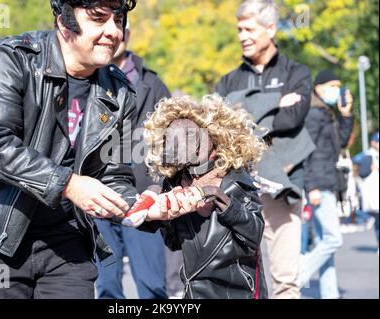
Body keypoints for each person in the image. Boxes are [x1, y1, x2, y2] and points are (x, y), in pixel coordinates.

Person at [0, 0, 140, 299]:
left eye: (118, 20)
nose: (113, 31)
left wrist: (145, 207)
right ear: (64, 22)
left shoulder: (119, 91)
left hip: (68, 242)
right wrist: (67, 184)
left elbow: (114, 175)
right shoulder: (13, 59)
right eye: (99, 19)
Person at [215, 0, 314, 298]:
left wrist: (244, 108)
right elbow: (221, 126)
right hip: (239, 191)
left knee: (284, 281)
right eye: (238, 30)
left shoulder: (297, 73)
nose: (242, 36)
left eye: (248, 29)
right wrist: (273, 103)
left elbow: (293, 118)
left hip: (283, 187)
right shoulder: (228, 80)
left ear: (271, 28)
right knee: (241, 279)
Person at [140, 94, 269, 299]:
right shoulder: (175, 183)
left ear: (214, 141)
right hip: (194, 294)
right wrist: (158, 211)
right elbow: (174, 243)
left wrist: (222, 200)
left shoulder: (235, 181)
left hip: (237, 292)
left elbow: (254, 235)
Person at [94, 23, 170, 299]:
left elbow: (170, 143)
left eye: (121, 27)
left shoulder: (152, 83)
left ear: (128, 34)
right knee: (107, 287)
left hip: (143, 198)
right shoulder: (88, 79)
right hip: (100, 198)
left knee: (152, 287)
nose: (114, 34)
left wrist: (157, 185)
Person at [297, 69, 354, 299]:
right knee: (333, 239)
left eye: (339, 85)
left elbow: (339, 142)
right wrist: (311, 187)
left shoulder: (324, 112)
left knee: (324, 243)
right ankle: (298, 276)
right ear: (319, 87)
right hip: (319, 184)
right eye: (333, 85)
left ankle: (330, 294)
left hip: (326, 181)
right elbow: (305, 152)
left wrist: (346, 114)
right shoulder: (312, 113)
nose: (336, 89)